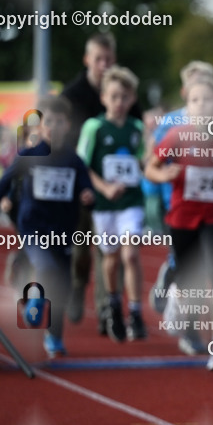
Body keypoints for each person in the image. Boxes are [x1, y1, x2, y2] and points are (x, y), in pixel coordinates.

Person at [144, 76, 213, 369]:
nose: (201, 105)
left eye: (208, 100)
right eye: (194, 100)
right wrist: (163, 175)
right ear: (187, 107)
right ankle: (178, 301)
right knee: (188, 277)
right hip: (182, 217)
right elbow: (151, 168)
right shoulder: (176, 136)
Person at [0, 96, 95, 358]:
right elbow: (4, 182)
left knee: (63, 285)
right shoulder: (29, 156)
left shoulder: (73, 160)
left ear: (67, 125)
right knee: (45, 268)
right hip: (34, 228)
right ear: (40, 126)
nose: (54, 126)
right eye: (49, 121)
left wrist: (89, 196)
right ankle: (34, 304)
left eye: (59, 121)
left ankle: (54, 336)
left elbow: (86, 188)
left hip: (63, 231)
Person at [76, 65, 146, 342]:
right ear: (104, 97)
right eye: (114, 96)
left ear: (132, 99)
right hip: (105, 204)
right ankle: (113, 303)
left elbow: (143, 160)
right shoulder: (94, 127)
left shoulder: (136, 128)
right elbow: (82, 163)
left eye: (125, 97)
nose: (120, 103)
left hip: (131, 200)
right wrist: (103, 186)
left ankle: (136, 311)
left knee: (131, 255)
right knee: (111, 257)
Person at [64, 33, 119, 324]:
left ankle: (105, 308)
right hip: (82, 183)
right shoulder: (72, 95)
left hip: (114, 188)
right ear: (87, 60)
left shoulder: (123, 93)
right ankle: (75, 288)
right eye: (99, 59)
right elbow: (65, 141)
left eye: (109, 59)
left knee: (109, 249)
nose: (104, 65)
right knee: (82, 247)